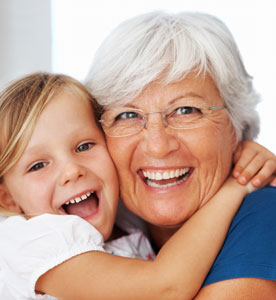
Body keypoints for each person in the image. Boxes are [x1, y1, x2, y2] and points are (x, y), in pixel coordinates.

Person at [0, 72, 273, 300]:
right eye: (38, 165)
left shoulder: (125, 220)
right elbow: (166, 287)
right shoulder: (33, 242)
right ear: (5, 196)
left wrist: (240, 156)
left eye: (84, 146)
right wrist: (237, 183)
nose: (71, 171)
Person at [84, 11, 276, 299]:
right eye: (127, 115)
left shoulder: (265, 211)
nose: (158, 145)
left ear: (237, 127)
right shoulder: (105, 225)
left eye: (186, 110)